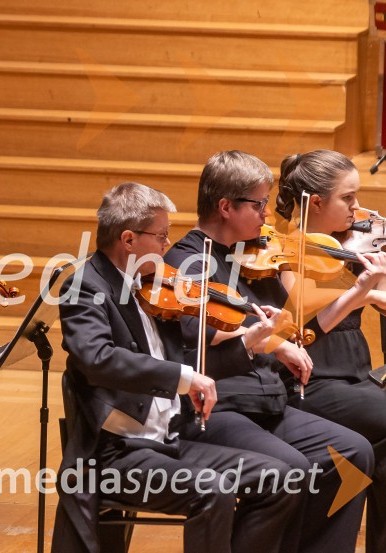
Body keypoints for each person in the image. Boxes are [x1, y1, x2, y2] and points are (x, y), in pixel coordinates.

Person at [51, 182, 301, 553]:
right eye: (162, 236)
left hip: (170, 440)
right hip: (117, 455)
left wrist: (248, 337)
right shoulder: (85, 286)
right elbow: (97, 358)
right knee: (212, 489)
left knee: (280, 478)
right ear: (129, 240)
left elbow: (193, 356)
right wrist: (183, 378)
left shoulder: (154, 288)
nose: (168, 246)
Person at [164, 150, 376, 553]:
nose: (267, 214)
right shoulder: (189, 260)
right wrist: (268, 339)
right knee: (293, 469)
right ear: (225, 207)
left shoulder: (247, 258)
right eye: (259, 204)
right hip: (221, 406)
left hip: (267, 401)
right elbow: (194, 332)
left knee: (353, 451)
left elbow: (300, 323)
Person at [275, 149, 386, 553]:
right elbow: (302, 316)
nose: (358, 209)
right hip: (313, 382)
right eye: (349, 199)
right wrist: (362, 287)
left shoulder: (349, 243)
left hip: (354, 377)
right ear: (316, 203)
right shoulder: (285, 249)